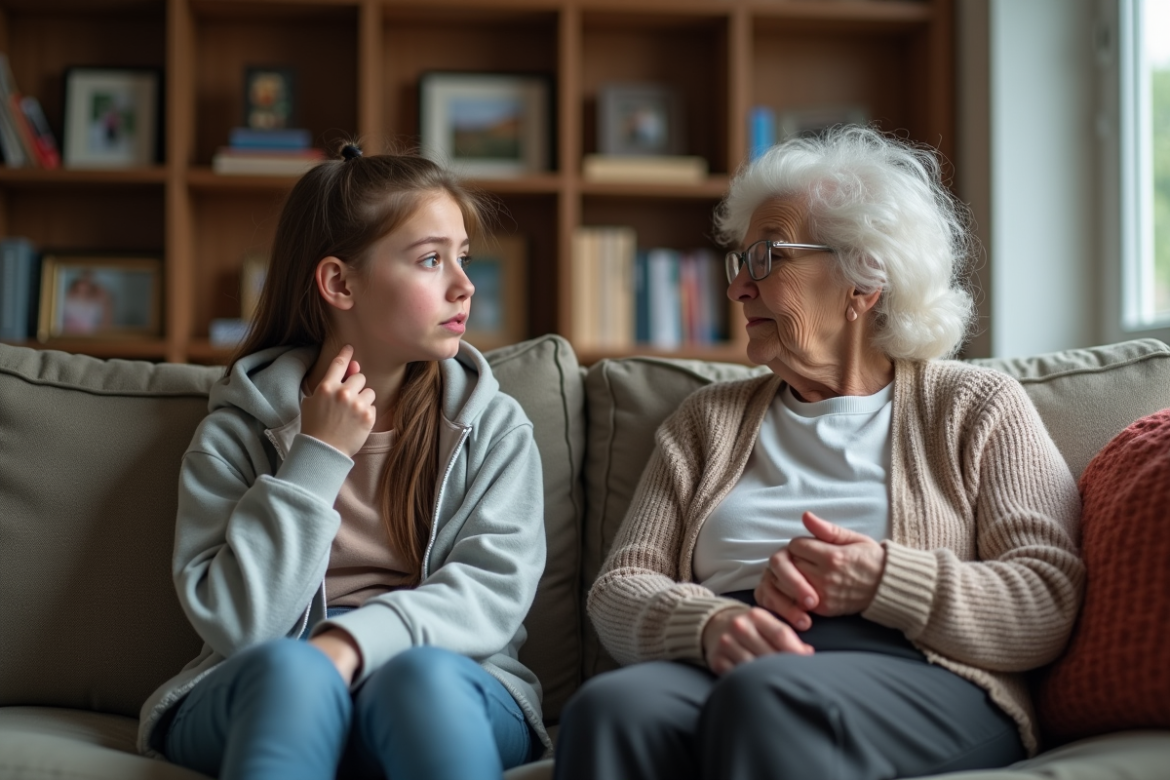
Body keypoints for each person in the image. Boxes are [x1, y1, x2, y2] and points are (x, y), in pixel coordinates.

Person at [554, 126, 1085, 780]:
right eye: (740, 263)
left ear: (863, 282)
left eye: (767, 258)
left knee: (767, 700)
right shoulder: (705, 421)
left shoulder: (976, 405)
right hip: (733, 658)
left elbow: (1046, 597)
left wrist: (879, 578)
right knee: (610, 708)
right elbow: (620, 587)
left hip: (920, 669)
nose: (738, 289)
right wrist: (711, 623)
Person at [135, 144, 549, 780]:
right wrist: (317, 458)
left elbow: (491, 598)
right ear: (339, 283)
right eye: (431, 259)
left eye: (462, 257)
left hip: (446, 674)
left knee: (422, 681)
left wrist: (353, 642)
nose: (465, 284)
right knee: (293, 673)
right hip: (272, 676)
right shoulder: (235, 432)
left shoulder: (493, 428)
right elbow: (240, 624)